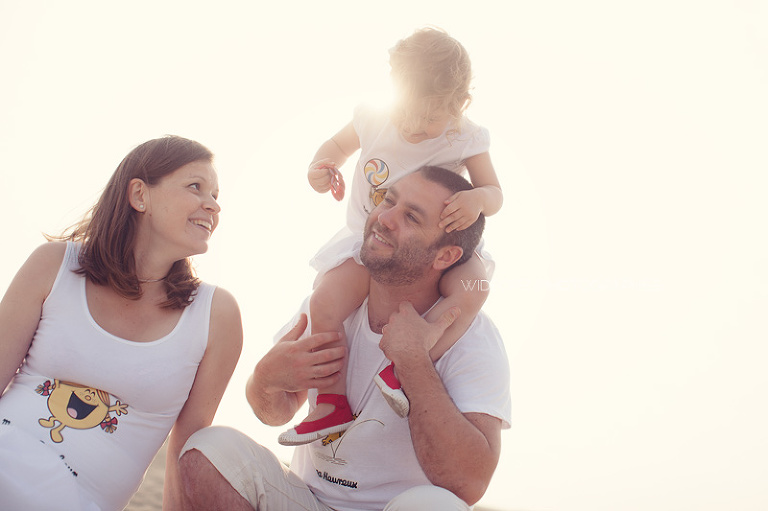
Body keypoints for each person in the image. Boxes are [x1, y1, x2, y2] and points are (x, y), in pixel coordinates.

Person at [178, 166, 511, 510]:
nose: (385, 218)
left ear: (445, 256)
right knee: (207, 450)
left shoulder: (473, 339)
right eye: (388, 200)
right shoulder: (331, 306)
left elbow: (469, 484)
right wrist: (264, 380)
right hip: (306, 500)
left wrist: (413, 361)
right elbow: (274, 414)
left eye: (411, 217)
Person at [286, 26, 504, 445]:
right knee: (325, 299)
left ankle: (411, 363)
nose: (416, 127)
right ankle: (330, 403)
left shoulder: (466, 135)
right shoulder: (372, 116)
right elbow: (333, 147)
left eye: (431, 118)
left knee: (475, 287)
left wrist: (477, 199)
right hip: (368, 240)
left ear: (460, 104)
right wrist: (321, 168)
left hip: (439, 246)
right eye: (407, 112)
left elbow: (494, 192)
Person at [0, 135, 243, 510]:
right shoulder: (53, 265)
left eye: (216, 194)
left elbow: (187, 452)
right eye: (196, 187)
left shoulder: (215, 315)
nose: (213, 205)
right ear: (139, 195)